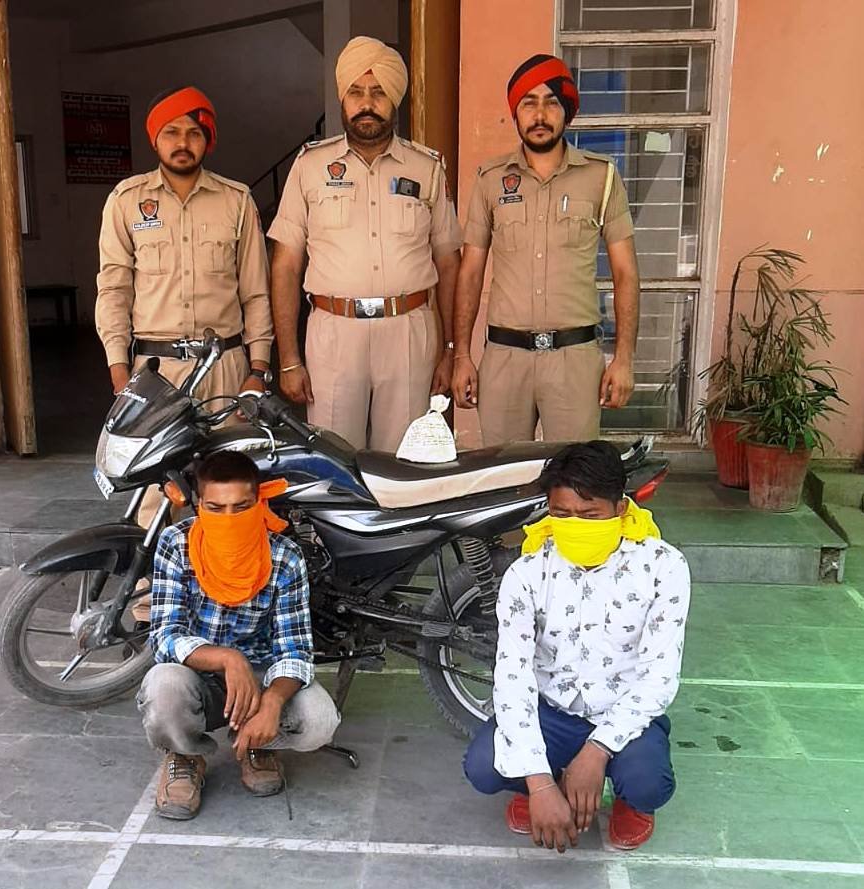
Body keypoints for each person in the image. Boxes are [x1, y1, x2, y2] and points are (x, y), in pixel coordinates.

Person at [463, 441, 690, 852]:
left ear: (620, 508)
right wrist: (538, 783)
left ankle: (630, 801)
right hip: (552, 711)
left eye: (590, 515)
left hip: (622, 708)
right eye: (562, 514)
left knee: (648, 783)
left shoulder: (663, 567)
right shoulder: (527, 572)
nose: (575, 525)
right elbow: (512, 675)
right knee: (482, 767)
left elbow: (659, 676)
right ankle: (542, 782)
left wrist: (597, 751)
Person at [269, 36, 462, 451]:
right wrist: (288, 359)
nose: (367, 104)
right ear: (342, 98)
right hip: (334, 333)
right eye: (356, 92)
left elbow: (449, 262)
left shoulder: (426, 167)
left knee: (402, 461)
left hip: (408, 332)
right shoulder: (310, 166)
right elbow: (285, 265)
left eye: (379, 93)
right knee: (335, 459)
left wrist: (449, 351)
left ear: (395, 100)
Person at [95, 86, 273, 531]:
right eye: (171, 132)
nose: (182, 142)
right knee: (156, 497)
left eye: (194, 133)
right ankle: (155, 579)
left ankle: (224, 575)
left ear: (207, 140)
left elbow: (256, 292)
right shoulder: (126, 201)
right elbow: (113, 290)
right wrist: (119, 370)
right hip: (157, 374)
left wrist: (258, 370)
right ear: (155, 139)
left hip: (226, 370)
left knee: (227, 490)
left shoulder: (236, 200)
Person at [137, 451, 340, 820]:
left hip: (262, 678)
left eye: (241, 507)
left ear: (258, 502)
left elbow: (296, 649)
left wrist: (272, 702)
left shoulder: (285, 557)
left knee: (319, 721)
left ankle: (258, 744)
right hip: (197, 677)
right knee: (162, 686)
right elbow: (165, 636)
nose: (229, 519)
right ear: (199, 505)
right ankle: (185, 756)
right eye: (215, 508)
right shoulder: (176, 543)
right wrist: (228, 659)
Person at [452, 55, 641, 446]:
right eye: (529, 103)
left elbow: (625, 273)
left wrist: (623, 358)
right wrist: (462, 356)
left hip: (575, 361)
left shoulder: (602, 177)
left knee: (574, 474)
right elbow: (470, 272)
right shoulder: (490, 180)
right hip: (505, 359)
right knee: (504, 473)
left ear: (566, 112)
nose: (540, 115)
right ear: (516, 114)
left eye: (551, 102)